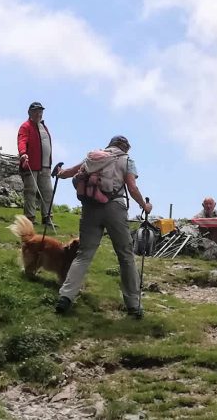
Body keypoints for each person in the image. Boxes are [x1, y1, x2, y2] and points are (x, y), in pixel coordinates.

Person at [54, 135, 152, 318]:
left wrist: (59, 171)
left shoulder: (94, 157)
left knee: (83, 255)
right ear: (125, 147)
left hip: (90, 207)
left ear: (110, 145)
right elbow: (131, 187)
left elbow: (69, 173)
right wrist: (145, 206)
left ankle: (65, 297)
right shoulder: (127, 160)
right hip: (115, 208)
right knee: (125, 256)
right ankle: (134, 305)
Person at [17, 101, 54, 228]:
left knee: (48, 191)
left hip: (45, 166)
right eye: (36, 111)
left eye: (40, 111)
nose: (39, 114)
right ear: (29, 112)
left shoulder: (43, 127)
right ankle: (29, 218)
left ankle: (47, 217)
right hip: (31, 165)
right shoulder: (25, 126)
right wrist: (23, 153)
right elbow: (22, 140)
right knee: (31, 191)